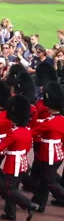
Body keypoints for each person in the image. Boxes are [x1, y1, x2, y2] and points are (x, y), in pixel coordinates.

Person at [0, 95, 40, 221]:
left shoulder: (14, 132)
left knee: (9, 189)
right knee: (12, 188)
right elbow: (28, 147)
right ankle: (10, 213)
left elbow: (1, 146)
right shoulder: (27, 130)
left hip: (13, 163)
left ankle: (29, 204)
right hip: (22, 160)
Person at [30, 82, 64, 212]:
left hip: (50, 154)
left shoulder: (49, 122)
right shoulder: (61, 119)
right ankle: (39, 202)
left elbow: (32, 132)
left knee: (50, 181)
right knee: (45, 179)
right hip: (57, 154)